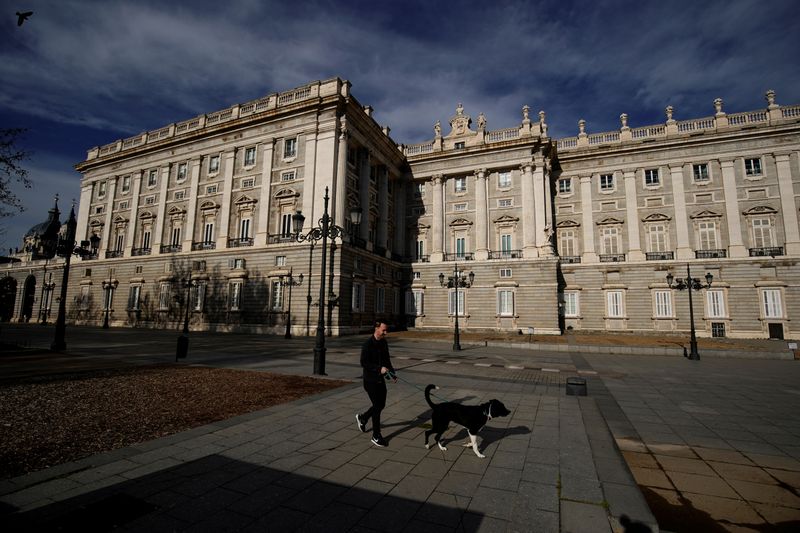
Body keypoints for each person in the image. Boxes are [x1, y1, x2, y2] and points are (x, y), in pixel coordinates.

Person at [356, 321, 396, 447]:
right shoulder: (367, 344)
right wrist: (379, 369)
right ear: (376, 328)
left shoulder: (383, 342)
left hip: (380, 379)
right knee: (378, 406)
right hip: (370, 381)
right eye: (383, 330)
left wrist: (392, 374)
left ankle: (363, 418)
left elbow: (386, 359)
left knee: (381, 404)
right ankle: (376, 435)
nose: (386, 332)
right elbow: (364, 363)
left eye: (386, 330)